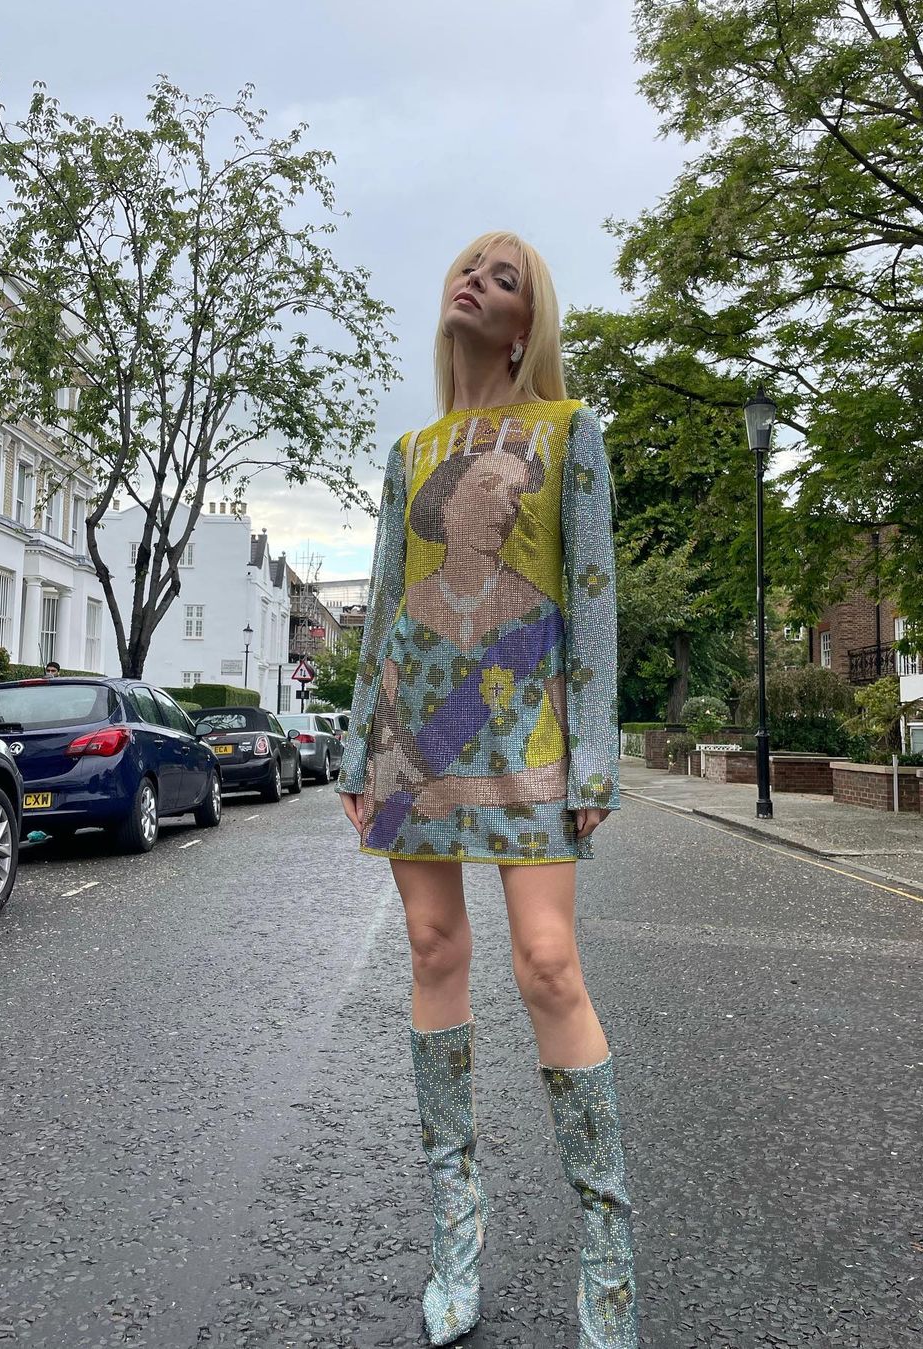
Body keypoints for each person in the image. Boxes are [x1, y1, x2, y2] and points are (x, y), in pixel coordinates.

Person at [337, 231, 638, 1347]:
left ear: (525, 326)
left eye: (505, 278)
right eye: (471, 267)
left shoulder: (570, 430)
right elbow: (381, 600)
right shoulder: (410, 451)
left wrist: (595, 752)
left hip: (530, 733)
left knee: (548, 962)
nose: (478, 280)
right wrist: (357, 749)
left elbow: (594, 597)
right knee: (432, 949)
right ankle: (455, 1235)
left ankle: (607, 1256)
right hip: (413, 734)